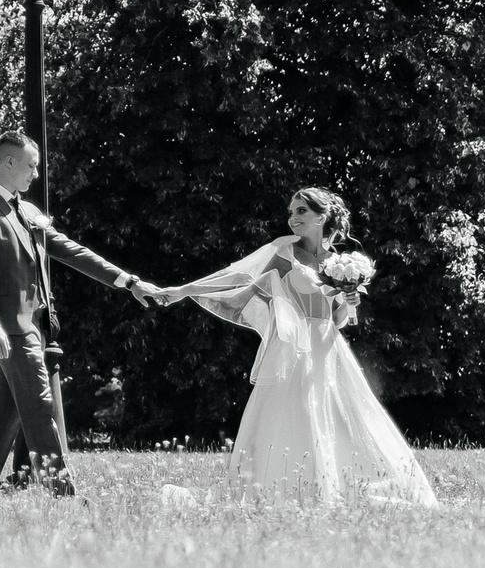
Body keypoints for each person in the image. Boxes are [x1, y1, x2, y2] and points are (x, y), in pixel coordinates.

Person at [154, 187, 438, 507]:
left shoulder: (338, 263)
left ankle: (333, 487)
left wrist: (349, 299)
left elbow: (339, 320)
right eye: (292, 212)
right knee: (296, 412)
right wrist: (185, 289)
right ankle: (288, 487)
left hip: (330, 350)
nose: (293, 218)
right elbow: (236, 278)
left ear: (321, 215)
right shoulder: (285, 253)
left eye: (301, 211)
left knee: (338, 414)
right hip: (295, 350)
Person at [0, 130, 161, 499]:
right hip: (10, 330)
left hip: (37, 328)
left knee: (5, 415)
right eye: (31, 165)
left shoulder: (29, 212)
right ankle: (63, 498)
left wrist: (128, 281)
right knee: (39, 406)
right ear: (9, 162)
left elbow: (73, 252)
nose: (36, 173)